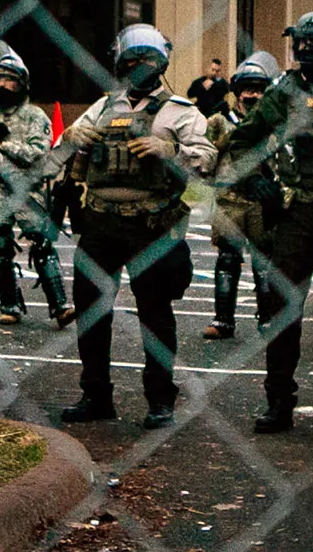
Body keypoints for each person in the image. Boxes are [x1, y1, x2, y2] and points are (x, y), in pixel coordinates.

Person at [56, 23, 214, 430]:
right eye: (132, 61)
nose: (140, 67)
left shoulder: (181, 111)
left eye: (147, 61)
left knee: (155, 316)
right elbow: (64, 152)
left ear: (160, 64)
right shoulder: (105, 106)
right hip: (100, 224)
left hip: (152, 226)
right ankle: (95, 395)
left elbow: (208, 159)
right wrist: (72, 135)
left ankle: (160, 399)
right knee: (92, 312)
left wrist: (172, 149)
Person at [221, 15, 313, 432]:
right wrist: (257, 181)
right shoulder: (282, 91)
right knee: (283, 306)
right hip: (296, 211)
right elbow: (241, 140)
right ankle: (279, 401)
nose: (309, 51)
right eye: (302, 44)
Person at [0, 44, 70, 327]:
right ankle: (10, 304)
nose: (4, 85)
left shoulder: (35, 116)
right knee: (0, 245)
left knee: (41, 245)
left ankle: (60, 305)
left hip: (29, 191)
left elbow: (37, 152)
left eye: (11, 80)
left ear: (22, 84)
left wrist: (5, 145)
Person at [200, 49, 281, 341]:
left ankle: (268, 317)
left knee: (264, 261)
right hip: (229, 200)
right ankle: (223, 319)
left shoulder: (276, 123)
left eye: (259, 91)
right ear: (236, 92)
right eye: (247, 90)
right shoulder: (219, 122)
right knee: (227, 259)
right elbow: (204, 160)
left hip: (262, 200)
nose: (252, 96)